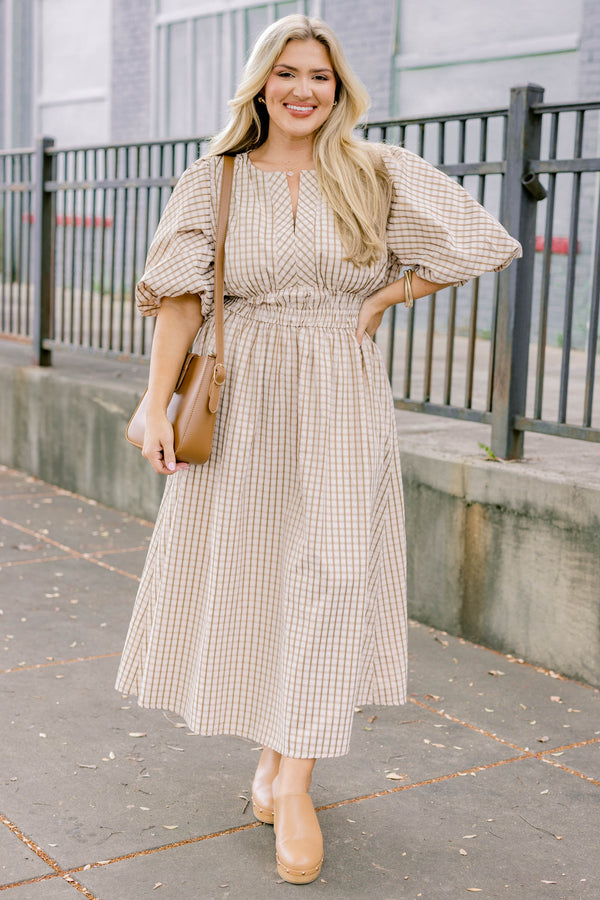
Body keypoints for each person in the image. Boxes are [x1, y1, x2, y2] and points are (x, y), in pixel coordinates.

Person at [116, 14, 521, 885]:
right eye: (288, 73)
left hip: (340, 392)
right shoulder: (215, 180)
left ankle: (292, 780)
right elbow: (180, 299)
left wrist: (383, 298)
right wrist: (154, 406)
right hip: (245, 392)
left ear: (340, 90)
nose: (304, 90)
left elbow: (482, 242)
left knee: (331, 574)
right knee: (262, 571)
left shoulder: (375, 172)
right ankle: (273, 755)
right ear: (261, 84)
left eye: (321, 76)